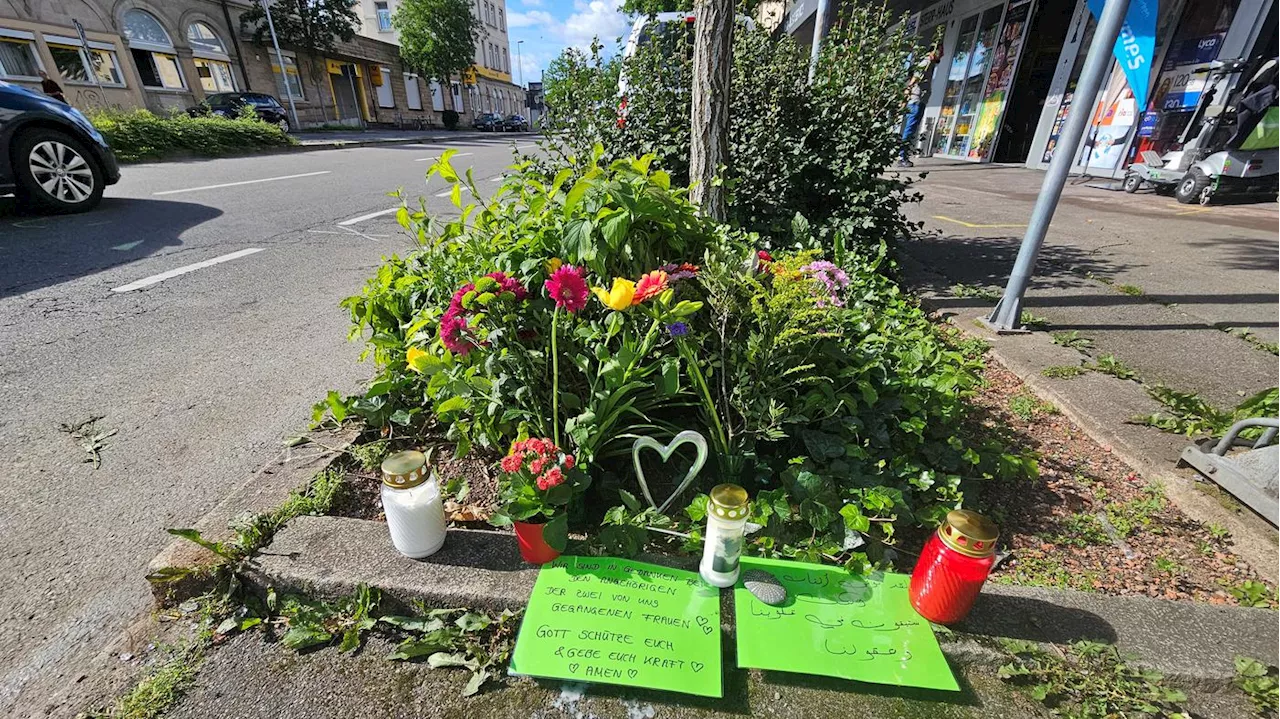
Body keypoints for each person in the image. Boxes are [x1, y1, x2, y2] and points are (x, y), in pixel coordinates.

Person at [900, 42, 942, 167]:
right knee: (910, 129)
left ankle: (903, 155)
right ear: (933, 51)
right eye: (940, 51)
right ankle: (902, 157)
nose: (942, 54)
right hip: (916, 101)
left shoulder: (931, 64)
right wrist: (905, 98)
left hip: (920, 101)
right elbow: (914, 79)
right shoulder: (926, 63)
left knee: (911, 129)